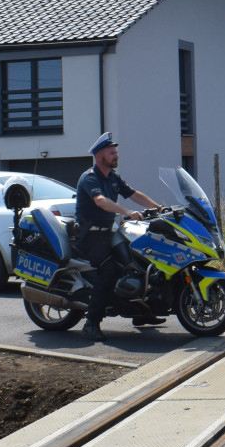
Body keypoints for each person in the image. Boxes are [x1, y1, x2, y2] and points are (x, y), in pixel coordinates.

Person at [75, 132, 162, 341]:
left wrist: (159, 207)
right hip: (91, 236)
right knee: (109, 271)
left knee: (139, 261)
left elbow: (134, 194)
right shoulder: (90, 177)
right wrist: (126, 211)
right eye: (111, 153)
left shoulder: (113, 177)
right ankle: (91, 323)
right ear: (99, 156)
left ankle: (141, 313)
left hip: (109, 233)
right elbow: (100, 201)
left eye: (116, 152)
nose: (116, 156)